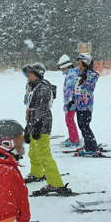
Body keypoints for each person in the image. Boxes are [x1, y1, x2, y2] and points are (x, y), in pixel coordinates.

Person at [23, 63, 69, 195]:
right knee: (33, 152)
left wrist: (37, 126)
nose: (27, 75)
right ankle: (37, 174)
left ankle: (56, 184)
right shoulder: (33, 86)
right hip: (33, 122)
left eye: (30, 73)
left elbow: (42, 109)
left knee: (44, 154)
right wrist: (28, 127)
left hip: (42, 124)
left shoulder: (42, 87)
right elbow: (30, 108)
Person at [73, 54, 100, 156]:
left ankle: (91, 146)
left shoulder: (91, 75)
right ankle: (89, 143)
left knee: (85, 126)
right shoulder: (81, 74)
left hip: (86, 106)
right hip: (79, 105)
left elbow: (86, 88)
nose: (79, 67)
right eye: (78, 64)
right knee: (81, 125)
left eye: (81, 64)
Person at [57, 55, 81, 148]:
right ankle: (73, 137)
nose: (61, 70)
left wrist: (68, 103)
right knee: (70, 121)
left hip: (71, 102)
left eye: (61, 68)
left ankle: (74, 140)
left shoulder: (70, 75)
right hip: (73, 102)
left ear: (66, 66)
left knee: (69, 121)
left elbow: (70, 91)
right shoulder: (71, 73)